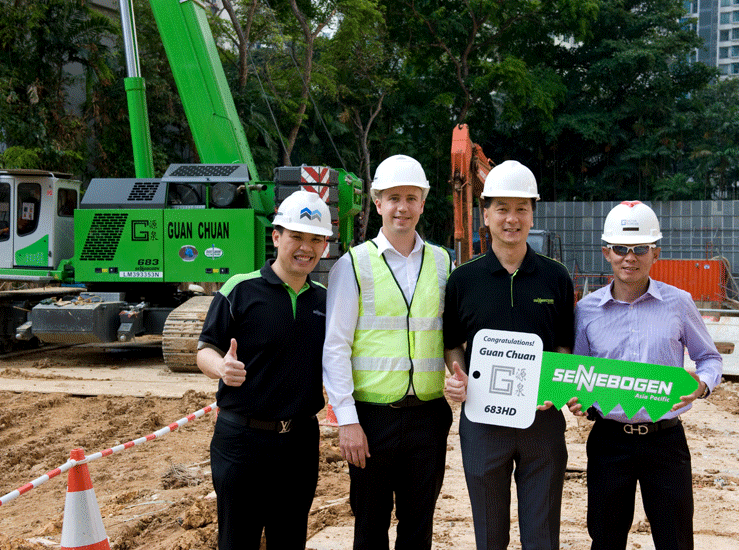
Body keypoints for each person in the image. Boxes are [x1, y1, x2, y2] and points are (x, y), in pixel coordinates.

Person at [569, 200, 723, 550]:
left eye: (640, 249)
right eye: (621, 249)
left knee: (675, 540)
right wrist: (577, 400)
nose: (630, 257)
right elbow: (578, 374)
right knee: (606, 540)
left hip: (664, 441)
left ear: (656, 252)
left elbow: (709, 359)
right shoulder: (587, 310)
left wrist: (702, 386)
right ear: (607, 252)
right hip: (609, 441)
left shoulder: (679, 303)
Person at [323, 154, 453, 550]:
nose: (403, 207)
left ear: (422, 203)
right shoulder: (354, 264)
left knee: (419, 526)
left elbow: (451, 335)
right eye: (393, 197)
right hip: (371, 419)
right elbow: (335, 348)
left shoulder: (443, 261)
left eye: (411, 198)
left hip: (428, 417)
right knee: (370, 525)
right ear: (377, 203)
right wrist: (347, 420)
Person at [443, 160, 575, 550]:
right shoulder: (463, 280)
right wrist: (458, 375)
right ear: (485, 214)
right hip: (483, 423)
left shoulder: (556, 277)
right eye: (502, 208)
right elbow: (452, 342)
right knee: (490, 535)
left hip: (542, 421)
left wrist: (554, 387)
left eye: (521, 209)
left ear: (533, 213)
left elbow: (565, 344)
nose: (512, 219)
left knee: (541, 537)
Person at [196, 190, 332, 550]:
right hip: (242, 442)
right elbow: (205, 348)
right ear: (276, 237)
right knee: (237, 541)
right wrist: (221, 367)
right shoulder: (240, 289)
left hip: (300, 442)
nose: (306, 248)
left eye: (316, 239)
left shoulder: (325, 300)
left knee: (289, 540)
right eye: (296, 237)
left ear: (325, 246)